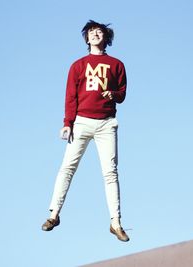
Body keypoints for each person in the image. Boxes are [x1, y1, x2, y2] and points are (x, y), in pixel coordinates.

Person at [41, 20, 129, 242]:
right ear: (86, 39)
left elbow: (123, 93)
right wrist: (67, 123)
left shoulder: (116, 64)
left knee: (110, 173)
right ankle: (54, 214)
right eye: (91, 32)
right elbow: (71, 95)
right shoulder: (78, 65)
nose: (95, 34)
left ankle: (115, 222)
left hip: (106, 124)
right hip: (81, 122)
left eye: (99, 32)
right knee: (67, 168)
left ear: (106, 38)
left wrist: (113, 95)